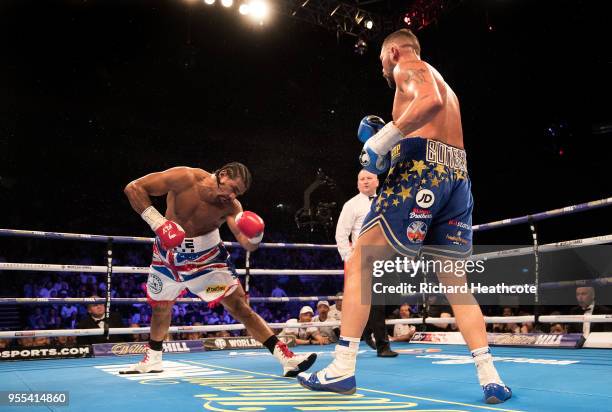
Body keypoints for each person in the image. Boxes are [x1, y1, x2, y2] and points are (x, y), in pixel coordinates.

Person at [299, 29, 511, 404]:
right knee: (455, 283)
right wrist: (389, 146)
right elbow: (432, 113)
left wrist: (380, 142)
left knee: (360, 262)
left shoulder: (407, 66)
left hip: (422, 170)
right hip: (457, 176)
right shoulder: (451, 91)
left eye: (382, 61)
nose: (383, 70)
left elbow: (426, 103)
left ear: (393, 51)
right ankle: (490, 376)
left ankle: (342, 368)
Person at [121, 163, 315, 376]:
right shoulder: (185, 177)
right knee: (160, 307)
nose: (232, 196)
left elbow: (247, 243)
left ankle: (286, 358)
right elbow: (134, 188)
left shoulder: (232, 207)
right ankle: (153, 359)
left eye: (237, 193)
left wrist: (256, 235)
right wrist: (159, 224)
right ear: (222, 175)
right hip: (166, 257)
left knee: (239, 307)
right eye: (231, 188)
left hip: (207, 263)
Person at [335, 169, 396, 357]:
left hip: (385, 256)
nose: (366, 182)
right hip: (363, 258)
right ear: (357, 184)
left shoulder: (386, 201)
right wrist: (349, 257)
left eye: (369, 178)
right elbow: (341, 233)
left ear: (377, 182)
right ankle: (383, 346)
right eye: (362, 179)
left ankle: (367, 331)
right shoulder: (351, 205)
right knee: (376, 301)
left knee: (390, 295)